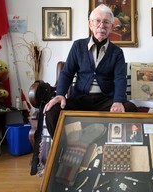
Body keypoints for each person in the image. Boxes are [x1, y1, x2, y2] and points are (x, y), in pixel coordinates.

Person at [43, 4, 137, 138]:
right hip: (80, 99)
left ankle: (112, 149)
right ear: (90, 24)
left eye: (106, 22)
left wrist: (118, 100)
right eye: (97, 21)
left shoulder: (117, 52)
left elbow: (120, 78)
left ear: (111, 27)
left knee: (130, 109)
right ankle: (62, 149)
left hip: (105, 100)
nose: (101, 25)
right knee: (53, 111)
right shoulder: (78, 46)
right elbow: (67, 72)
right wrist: (60, 94)